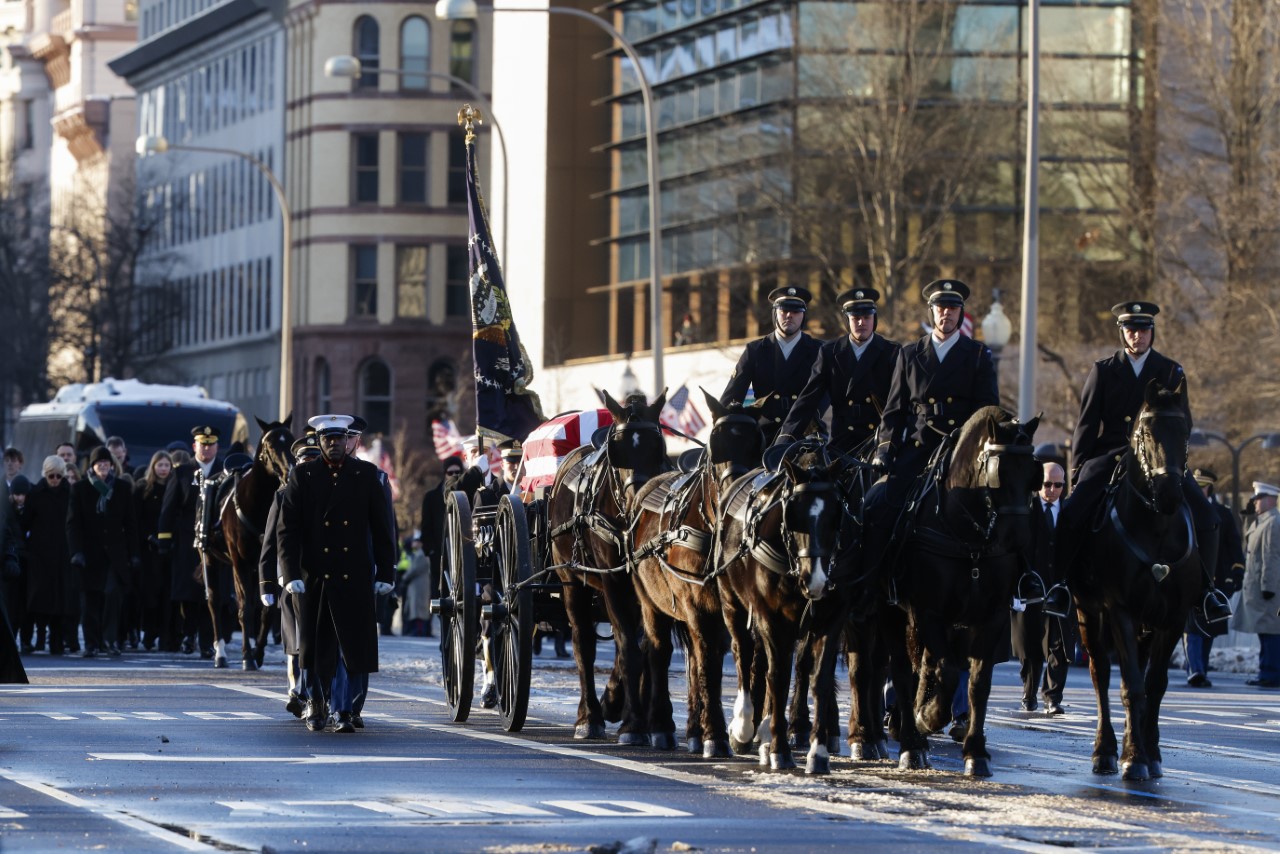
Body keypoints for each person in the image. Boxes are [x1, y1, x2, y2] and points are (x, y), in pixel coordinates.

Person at [1057, 301, 1231, 624]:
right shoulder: (1104, 370)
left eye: (1144, 330)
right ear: (1122, 332)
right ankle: (1060, 585)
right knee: (1071, 511)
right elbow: (1085, 425)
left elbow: (1184, 424)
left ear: (1152, 333)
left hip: (1162, 460)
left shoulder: (1170, 370)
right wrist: (1078, 471)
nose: (1138, 336)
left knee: (1208, 516)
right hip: (1112, 455)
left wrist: (1178, 462)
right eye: (1131, 330)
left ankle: (1208, 592)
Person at [863, 279, 1000, 571]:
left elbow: (988, 410)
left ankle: (1019, 585)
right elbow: (894, 410)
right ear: (932, 312)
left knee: (1005, 507)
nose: (946, 314)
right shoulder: (909, 354)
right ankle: (872, 587)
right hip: (919, 446)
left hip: (961, 450)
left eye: (952, 308)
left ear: (960, 313)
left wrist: (972, 445)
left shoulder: (977, 354)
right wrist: (885, 450)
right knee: (878, 505)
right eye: (941, 307)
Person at [277, 414, 396, 733]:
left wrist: (386, 572)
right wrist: (289, 573)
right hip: (314, 574)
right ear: (319, 442)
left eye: (339, 439)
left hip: (353, 573)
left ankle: (343, 709)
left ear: (348, 441)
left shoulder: (366, 474)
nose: (334, 445)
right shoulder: (302, 476)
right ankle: (315, 702)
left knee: (348, 646)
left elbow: (382, 529)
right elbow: (287, 531)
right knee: (316, 645)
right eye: (327, 440)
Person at [777, 286, 900, 455]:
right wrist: (785, 439)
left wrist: (887, 445)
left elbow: (900, 403)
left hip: (880, 440)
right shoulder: (830, 352)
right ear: (846, 320)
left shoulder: (892, 352)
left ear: (874, 318)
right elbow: (808, 399)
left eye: (866, 317)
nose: (861, 322)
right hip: (842, 442)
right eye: (855, 317)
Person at [261, 432, 322, 717]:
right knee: (294, 639)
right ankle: (296, 689)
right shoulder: (283, 494)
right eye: (304, 459)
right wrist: (267, 583)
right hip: (292, 576)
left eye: (314, 458)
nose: (309, 464)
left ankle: (316, 693)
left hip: (322, 576)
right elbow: (271, 543)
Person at [721, 286, 823, 446]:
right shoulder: (755, 350)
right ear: (775, 313)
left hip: (807, 434)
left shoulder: (819, 350)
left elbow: (829, 393)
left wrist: (811, 418)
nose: (789, 315)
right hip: (764, 436)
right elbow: (731, 398)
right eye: (784, 310)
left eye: (796, 311)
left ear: (803, 315)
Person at [66, 446, 139, 658]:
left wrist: (134, 553)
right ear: (93, 466)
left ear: (111, 465)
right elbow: (73, 523)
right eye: (99, 464)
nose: (103, 467)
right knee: (90, 600)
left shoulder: (122, 488)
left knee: (112, 595)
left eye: (106, 463)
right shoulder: (80, 489)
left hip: (115, 554)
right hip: (89, 554)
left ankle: (110, 639)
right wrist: (76, 551)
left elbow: (131, 524)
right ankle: (91, 643)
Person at [1012, 462, 1069, 716]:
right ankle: (1029, 691)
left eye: (1058, 485)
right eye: (1047, 484)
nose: (1052, 490)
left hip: (1060, 589)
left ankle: (1053, 697)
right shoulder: (1026, 509)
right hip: (1031, 589)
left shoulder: (1070, 512)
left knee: (1059, 646)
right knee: (1029, 645)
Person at [156, 428, 218, 657]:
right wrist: (165, 539)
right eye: (203, 444)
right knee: (188, 592)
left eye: (211, 444)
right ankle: (188, 634)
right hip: (186, 542)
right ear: (195, 447)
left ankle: (206, 641)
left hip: (215, 544)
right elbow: (168, 508)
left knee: (211, 592)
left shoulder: (223, 470)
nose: (207, 448)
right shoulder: (182, 472)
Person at [1183, 468, 1246, 687]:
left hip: (1214, 579)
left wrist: (1237, 571)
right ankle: (1195, 669)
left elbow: (1233, 545)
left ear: (1210, 487)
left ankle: (1201, 666)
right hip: (1189, 576)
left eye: (1202, 486)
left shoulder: (1222, 512)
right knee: (1192, 627)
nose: (1199, 490)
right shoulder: (1185, 507)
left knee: (1209, 627)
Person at [23, 457, 73, 655]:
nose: (55, 479)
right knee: (36, 599)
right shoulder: (35, 493)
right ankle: (30, 639)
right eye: (51, 475)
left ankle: (56, 641)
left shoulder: (69, 492)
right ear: (45, 474)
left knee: (59, 601)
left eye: (59, 476)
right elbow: (26, 522)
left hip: (62, 553)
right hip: (39, 554)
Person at [1234, 481, 1280, 689]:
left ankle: (1270, 672)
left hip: (1268, 589)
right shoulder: (1262, 521)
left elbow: (1271, 556)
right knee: (1264, 631)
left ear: (1271, 500)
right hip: (1259, 587)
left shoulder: (1273, 522)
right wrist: (1248, 518)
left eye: (1259, 499)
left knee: (1271, 632)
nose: (1255, 502)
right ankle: (1266, 671)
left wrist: (1268, 586)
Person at [419, 455, 465, 638]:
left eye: (457, 472)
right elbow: (426, 526)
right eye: (450, 472)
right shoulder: (431, 497)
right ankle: (446, 634)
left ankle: (457, 634)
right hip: (439, 554)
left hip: (460, 553)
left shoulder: (466, 495)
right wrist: (429, 550)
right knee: (440, 594)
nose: (453, 475)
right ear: (444, 473)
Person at [135, 451, 175, 652]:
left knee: (167, 596)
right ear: (153, 467)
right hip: (149, 549)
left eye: (167, 465)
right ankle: (149, 635)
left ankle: (165, 636)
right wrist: (148, 537)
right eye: (160, 465)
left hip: (169, 548)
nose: (163, 469)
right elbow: (137, 518)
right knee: (150, 594)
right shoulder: (144, 488)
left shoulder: (174, 488)